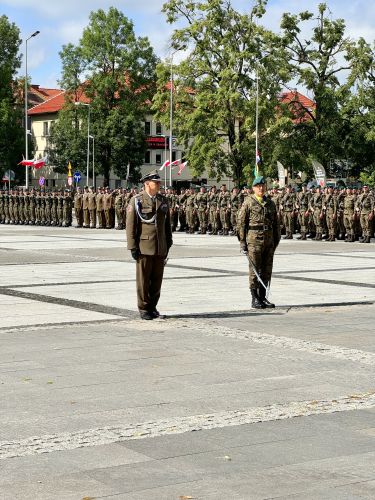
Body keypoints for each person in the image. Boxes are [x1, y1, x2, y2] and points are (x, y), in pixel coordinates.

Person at [126, 170, 173, 320]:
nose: (159, 184)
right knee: (143, 280)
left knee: (157, 280)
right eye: (156, 182)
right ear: (147, 184)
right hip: (144, 246)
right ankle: (144, 308)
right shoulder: (137, 200)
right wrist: (132, 246)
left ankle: (153, 307)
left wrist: (169, 242)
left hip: (160, 246)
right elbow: (131, 225)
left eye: (159, 182)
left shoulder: (163, 200)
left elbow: (167, 224)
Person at [238, 176, 280, 309]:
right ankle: (254, 298)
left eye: (263, 186)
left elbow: (276, 224)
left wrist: (275, 240)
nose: (261, 188)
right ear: (253, 188)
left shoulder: (271, 203)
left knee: (267, 270)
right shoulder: (248, 202)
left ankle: (263, 297)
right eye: (258, 186)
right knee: (254, 270)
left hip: (269, 241)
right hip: (254, 240)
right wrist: (242, 241)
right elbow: (241, 223)